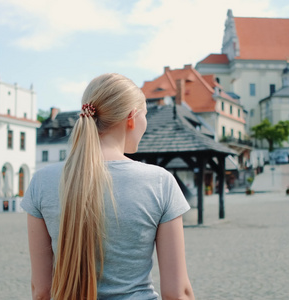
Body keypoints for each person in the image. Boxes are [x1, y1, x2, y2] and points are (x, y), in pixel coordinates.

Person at [21, 73, 194, 300]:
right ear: (131, 118)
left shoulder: (41, 182)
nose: (146, 124)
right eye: (145, 116)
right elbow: (177, 293)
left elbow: (41, 291)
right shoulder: (160, 182)